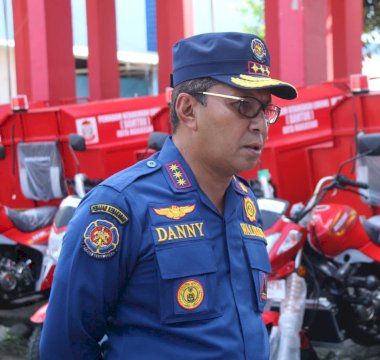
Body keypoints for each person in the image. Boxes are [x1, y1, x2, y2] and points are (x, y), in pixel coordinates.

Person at [40, 32, 297, 359]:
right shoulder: (119, 207)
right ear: (188, 109)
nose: (260, 124)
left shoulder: (245, 203)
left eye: (265, 110)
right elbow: (65, 346)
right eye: (244, 106)